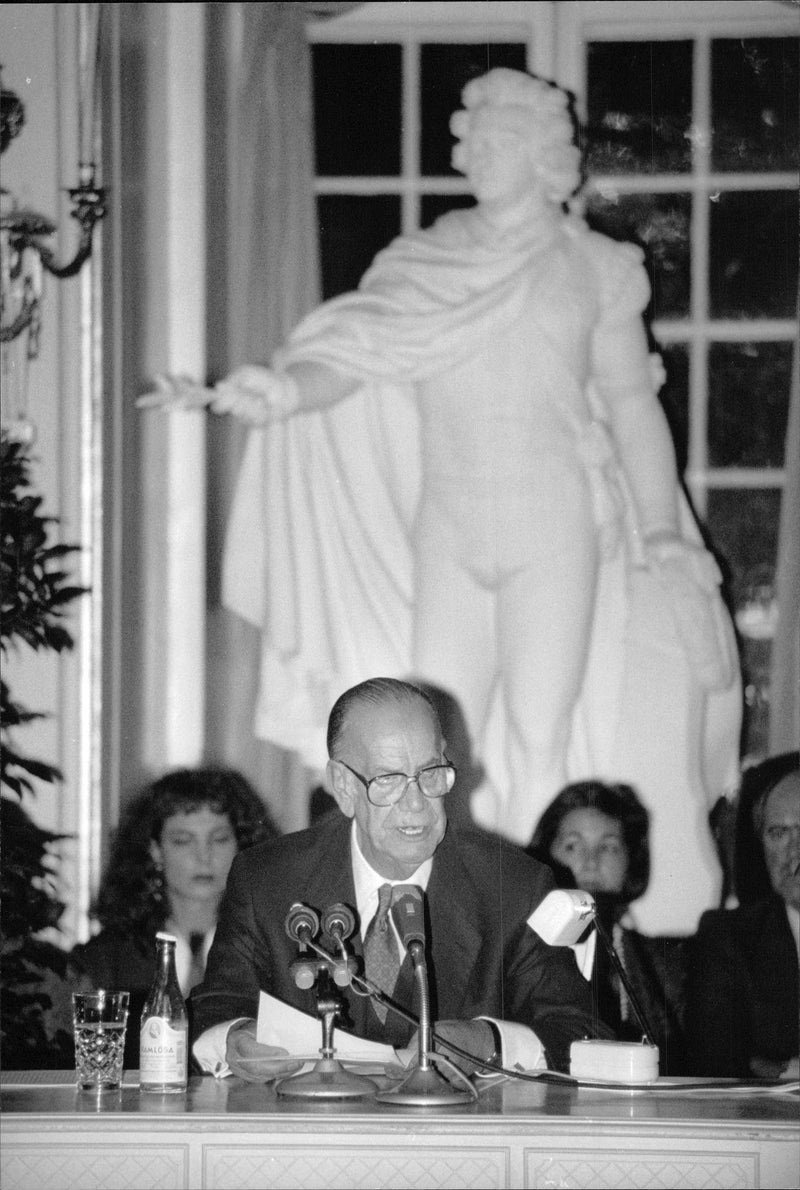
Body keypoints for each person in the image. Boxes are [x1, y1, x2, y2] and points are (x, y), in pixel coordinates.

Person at [142, 69, 739, 931]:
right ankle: (445, 919)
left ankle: (531, 930)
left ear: (544, 157)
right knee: (434, 749)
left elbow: (632, 404)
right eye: (473, 141)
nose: (475, 156)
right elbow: (352, 358)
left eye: (498, 142)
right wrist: (282, 391)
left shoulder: (594, 268)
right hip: (448, 531)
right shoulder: (426, 263)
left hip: (553, 525)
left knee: (539, 733)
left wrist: (659, 529)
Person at [191, 678, 610, 1081]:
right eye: (388, 780)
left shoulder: (515, 887)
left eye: (430, 773)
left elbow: (582, 1033)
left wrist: (488, 1042)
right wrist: (235, 1038)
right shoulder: (267, 879)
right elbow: (213, 1011)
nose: (416, 804)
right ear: (343, 786)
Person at [69, 767, 276, 1068]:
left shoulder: (272, 953)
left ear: (241, 846)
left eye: (218, 839)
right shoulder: (103, 961)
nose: (203, 856)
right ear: (154, 850)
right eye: (182, 840)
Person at [530, 781, 688, 1074]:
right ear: (545, 855)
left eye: (609, 846)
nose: (591, 862)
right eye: (572, 846)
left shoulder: (665, 965)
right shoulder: (520, 954)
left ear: (630, 861)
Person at [685, 761, 800, 1079]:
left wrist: (774, 1067)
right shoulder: (729, 937)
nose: (795, 851)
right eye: (778, 833)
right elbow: (716, 1066)